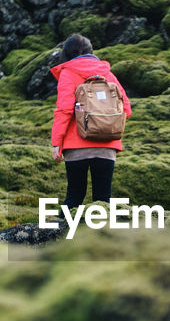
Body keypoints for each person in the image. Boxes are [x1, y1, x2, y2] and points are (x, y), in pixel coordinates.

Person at [49, 34, 131, 210]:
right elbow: (126, 108)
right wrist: (106, 125)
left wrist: (57, 142)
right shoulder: (107, 73)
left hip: (76, 147)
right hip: (107, 147)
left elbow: (64, 110)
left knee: (74, 197)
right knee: (103, 201)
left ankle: (63, 237)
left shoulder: (68, 73)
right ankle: (102, 237)